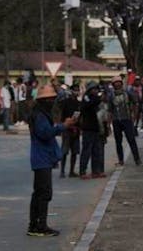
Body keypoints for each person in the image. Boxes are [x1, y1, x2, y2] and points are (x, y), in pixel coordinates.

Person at [28, 83, 76, 237]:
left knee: (38, 193)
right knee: (44, 193)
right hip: (42, 159)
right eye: (50, 99)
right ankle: (40, 226)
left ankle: (34, 225)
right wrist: (63, 126)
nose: (52, 102)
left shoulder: (39, 113)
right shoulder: (40, 115)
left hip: (41, 158)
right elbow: (45, 133)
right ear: (44, 101)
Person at [109, 76, 141, 166]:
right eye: (115, 83)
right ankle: (121, 160)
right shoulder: (111, 95)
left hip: (127, 119)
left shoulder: (127, 93)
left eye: (119, 82)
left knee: (131, 139)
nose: (117, 84)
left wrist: (134, 114)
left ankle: (137, 159)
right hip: (116, 120)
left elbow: (135, 102)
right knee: (118, 141)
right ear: (113, 85)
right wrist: (109, 122)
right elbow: (110, 109)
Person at [78, 82, 104, 179]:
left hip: (96, 127)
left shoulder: (96, 99)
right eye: (93, 89)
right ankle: (82, 171)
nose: (95, 91)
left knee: (96, 150)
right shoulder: (86, 98)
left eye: (96, 89)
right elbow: (89, 104)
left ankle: (95, 171)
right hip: (87, 127)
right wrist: (98, 98)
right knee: (86, 150)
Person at [59, 85, 80, 178]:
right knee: (64, 151)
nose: (76, 92)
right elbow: (62, 117)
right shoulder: (65, 102)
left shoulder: (79, 104)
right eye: (75, 90)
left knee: (75, 152)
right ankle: (62, 171)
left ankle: (71, 171)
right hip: (67, 129)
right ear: (71, 91)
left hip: (76, 129)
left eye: (77, 90)